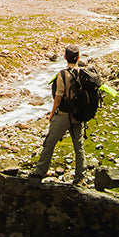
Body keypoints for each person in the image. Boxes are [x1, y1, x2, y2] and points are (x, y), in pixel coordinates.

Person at [28, 44, 85, 185]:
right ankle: (80, 177)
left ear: (65, 57)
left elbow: (59, 96)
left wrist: (52, 113)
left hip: (64, 114)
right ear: (78, 57)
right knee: (79, 146)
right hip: (79, 114)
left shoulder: (62, 74)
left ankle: (40, 172)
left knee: (49, 142)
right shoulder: (84, 73)